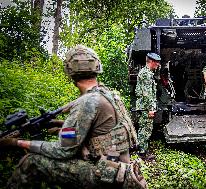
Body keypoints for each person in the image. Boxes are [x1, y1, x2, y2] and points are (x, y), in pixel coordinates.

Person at [0, 45, 147, 189]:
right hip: (118, 168)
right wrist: (61, 125)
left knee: (32, 162)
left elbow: (62, 150)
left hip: (105, 176)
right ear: (96, 67)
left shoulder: (87, 102)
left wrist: (17, 143)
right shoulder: (108, 94)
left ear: (70, 71)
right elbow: (102, 133)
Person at [135, 52, 161, 157]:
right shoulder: (146, 74)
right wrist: (151, 109)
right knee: (145, 129)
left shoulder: (146, 72)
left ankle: (142, 150)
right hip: (145, 107)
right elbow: (147, 94)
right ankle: (142, 152)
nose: (158, 65)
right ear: (151, 61)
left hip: (143, 106)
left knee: (144, 128)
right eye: (157, 63)